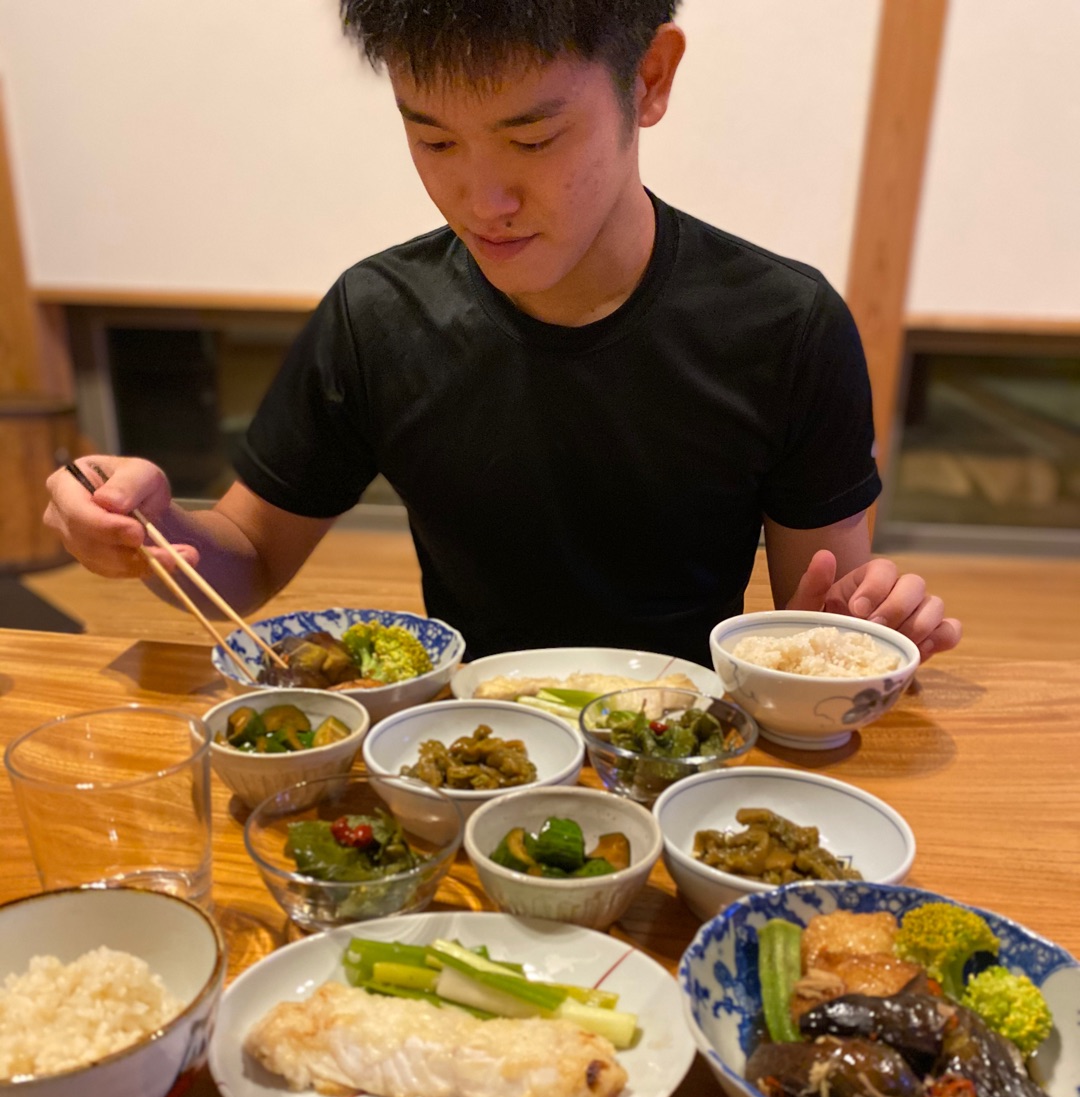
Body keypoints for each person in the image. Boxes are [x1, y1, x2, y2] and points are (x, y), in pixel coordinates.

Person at [43, 0, 961, 664]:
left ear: (649, 79)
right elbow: (246, 563)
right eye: (435, 142)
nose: (482, 203)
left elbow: (822, 615)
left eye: (532, 141)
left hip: (680, 757)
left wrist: (855, 634)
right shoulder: (377, 315)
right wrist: (151, 527)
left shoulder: (786, 328)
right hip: (462, 762)